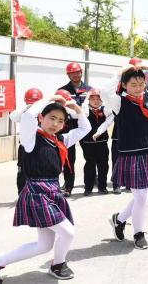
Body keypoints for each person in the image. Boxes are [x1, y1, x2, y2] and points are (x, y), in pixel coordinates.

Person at [0, 95, 91, 282]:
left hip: (53, 191)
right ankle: (58, 265)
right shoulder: (31, 138)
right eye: (52, 118)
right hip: (37, 193)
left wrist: (77, 110)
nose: (55, 124)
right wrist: (49, 98)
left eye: (61, 120)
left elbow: (85, 128)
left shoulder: (60, 140)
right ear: (41, 117)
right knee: (67, 232)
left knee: (44, 245)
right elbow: (27, 117)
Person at [103, 63, 148, 250]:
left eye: (141, 83)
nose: (139, 88)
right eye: (134, 84)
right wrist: (121, 72)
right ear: (124, 85)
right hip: (132, 155)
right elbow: (104, 91)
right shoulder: (119, 102)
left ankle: (120, 219)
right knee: (141, 198)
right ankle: (138, 234)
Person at [58, 62, 92, 196]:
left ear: (81, 72)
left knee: (90, 156)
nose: (75, 75)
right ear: (68, 74)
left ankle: (89, 185)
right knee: (68, 158)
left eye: (77, 72)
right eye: (72, 73)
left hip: (85, 126)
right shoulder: (62, 91)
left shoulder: (89, 90)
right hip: (68, 126)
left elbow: (90, 109)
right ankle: (68, 186)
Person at [80, 89, 114, 195]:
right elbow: (82, 117)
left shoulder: (105, 110)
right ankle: (88, 187)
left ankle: (102, 187)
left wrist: (99, 132)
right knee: (89, 165)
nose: (95, 101)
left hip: (102, 141)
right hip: (88, 142)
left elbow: (109, 120)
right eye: (93, 99)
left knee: (103, 165)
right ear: (88, 100)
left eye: (98, 99)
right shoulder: (84, 110)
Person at [10, 87, 43, 194]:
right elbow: (13, 117)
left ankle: (39, 192)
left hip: (40, 147)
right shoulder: (23, 113)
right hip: (24, 148)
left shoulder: (45, 112)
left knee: (40, 170)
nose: (33, 105)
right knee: (22, 171)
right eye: (30, 102)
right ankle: (22, 194)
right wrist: (27, 108)